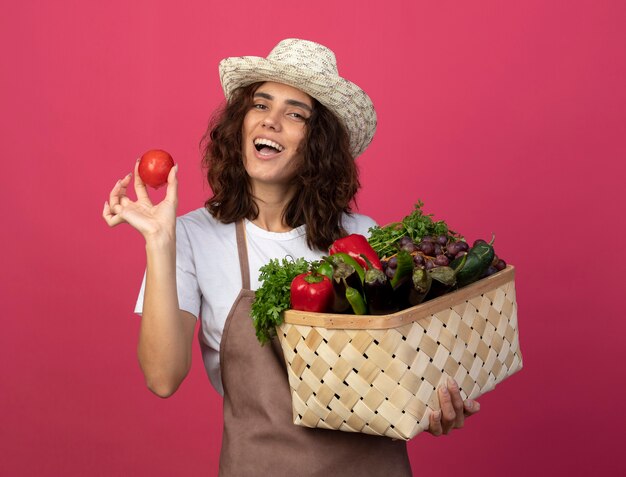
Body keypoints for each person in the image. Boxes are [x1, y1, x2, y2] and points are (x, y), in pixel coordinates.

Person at [103, 38, 480, 476]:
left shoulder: (363, 237)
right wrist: (158, 242)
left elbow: (399, 370)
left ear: (317, 142)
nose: (271, 121)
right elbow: (162, 378)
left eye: (295, 113)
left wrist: (435, 404)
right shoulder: (190, 237)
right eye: (260, 105)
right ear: (241, 123)